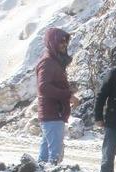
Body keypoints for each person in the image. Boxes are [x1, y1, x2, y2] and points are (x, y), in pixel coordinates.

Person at [36, 27, 79, 164]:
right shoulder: (48, 62)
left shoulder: (53, 61)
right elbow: (43, 87)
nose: (64, 45)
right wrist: (68, 95)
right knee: (55, 155)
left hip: (53, 113)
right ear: (52, 42)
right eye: (60, 42)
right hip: (52, 113)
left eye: (65, 42)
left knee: (45, 156)